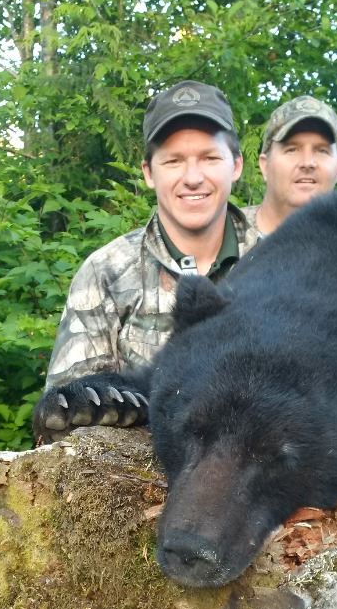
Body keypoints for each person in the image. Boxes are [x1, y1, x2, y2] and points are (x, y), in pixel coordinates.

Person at [42, 80, 261, 393]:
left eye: (210, 158)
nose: (193, 178)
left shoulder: (277, 262)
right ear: (148, 172)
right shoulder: (106, 274)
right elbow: (71, 409)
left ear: (236, 165)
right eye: (173, 161)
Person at [246, 95, 337, 235]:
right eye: (292, 150)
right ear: (265, 165)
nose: (307, 163)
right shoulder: (222, 233)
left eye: (322, 151)